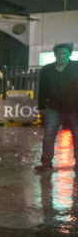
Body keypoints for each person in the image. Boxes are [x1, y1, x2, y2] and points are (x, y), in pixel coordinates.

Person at [36, 42, 78, 173]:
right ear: (55, 55)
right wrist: (41, 107)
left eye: (64, 53)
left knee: (77, 135)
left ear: (69, 54)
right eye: (59, 53)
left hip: (74, 108)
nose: (61, 56)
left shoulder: (76, 67)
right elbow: (42, 90)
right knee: (49, 135)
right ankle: (46, 163)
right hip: (53, 107)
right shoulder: (47, 70)